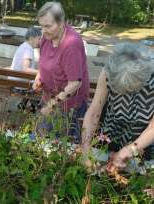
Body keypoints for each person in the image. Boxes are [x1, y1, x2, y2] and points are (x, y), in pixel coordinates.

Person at [81, 42, 154, 170]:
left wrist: (131, 149)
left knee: (135, 175)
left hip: (143, 135)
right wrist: (85, 148)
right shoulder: (110, 70)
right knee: (99, 169)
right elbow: (94, 110)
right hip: (111, 129)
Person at [33, 2, 89, 140]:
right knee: (40, 140)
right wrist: (38, 78)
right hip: (49, 99)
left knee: (60, 146)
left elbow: (75, 83)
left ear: (62, 22)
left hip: (68, 107)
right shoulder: (47, 38)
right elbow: (44, 64)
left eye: (48, 26)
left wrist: (51, 105)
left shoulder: (71, 44)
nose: (43, 31)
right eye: (41, 26)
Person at [10, 26, 42, 112]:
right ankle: (37, 106)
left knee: (33, 82)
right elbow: (25, 69)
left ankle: (23, 104)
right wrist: (41, 72)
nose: (40, 42)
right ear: (32, 38)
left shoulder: (23, 46)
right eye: (39, 39)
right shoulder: (28, 49)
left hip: (15, 81)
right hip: (20, 85)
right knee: (41, 84)